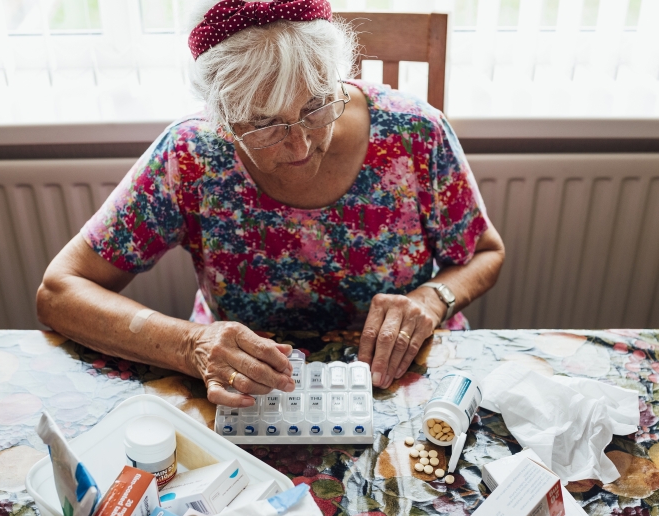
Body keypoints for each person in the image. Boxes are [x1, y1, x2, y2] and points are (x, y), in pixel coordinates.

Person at [37, 0, 505, 408]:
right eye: (263, 126)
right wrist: (190, 344)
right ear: (220, 118)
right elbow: (59, 291)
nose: (300, 147)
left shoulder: (415, 132)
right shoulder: (192, 154)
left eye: (317, 107)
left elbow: (486, 252)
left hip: (405, 379)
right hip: (250, 392)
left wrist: (432, 297)